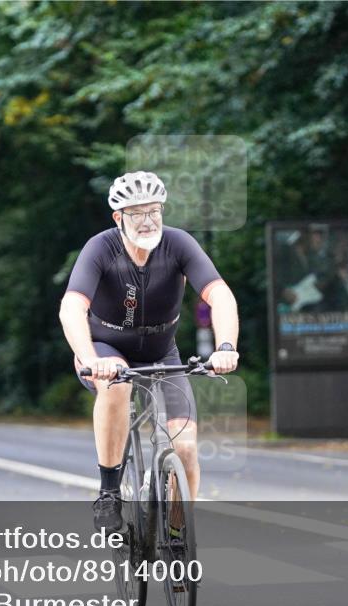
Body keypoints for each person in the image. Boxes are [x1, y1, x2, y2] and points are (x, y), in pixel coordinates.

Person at [59, 171, 240, 532]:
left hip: (162, 354)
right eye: (137, 213)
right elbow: (71, 307)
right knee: (117, 385)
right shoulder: (100, 248)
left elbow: (220, 295)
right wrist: (90, 359)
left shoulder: (178, 244)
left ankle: (176, 536)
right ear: (118, 217)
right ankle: (109, 492)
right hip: (105, 349)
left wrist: (226, 347)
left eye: (154, 211)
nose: (147, 220)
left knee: (185, 449)